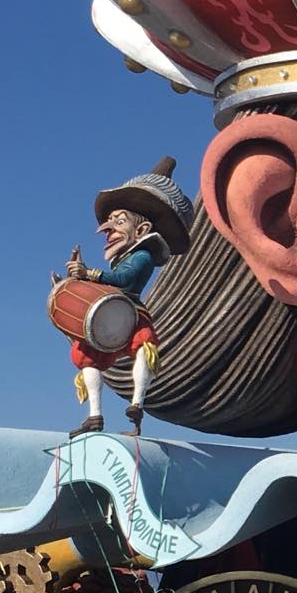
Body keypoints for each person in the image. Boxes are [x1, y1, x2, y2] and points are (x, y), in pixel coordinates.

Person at [65, 157, 193, 437]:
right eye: (109, 222)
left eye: (119, 221)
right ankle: (95, 415)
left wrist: (90, 273)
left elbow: (123, 279)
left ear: (142, 230)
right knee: (87, 354)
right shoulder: (123, 256)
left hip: (131, 311)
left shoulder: (142, 256)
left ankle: (137, 405)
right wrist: (78, 280)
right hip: (109, 310)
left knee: (144, 349)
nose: (107, 230)